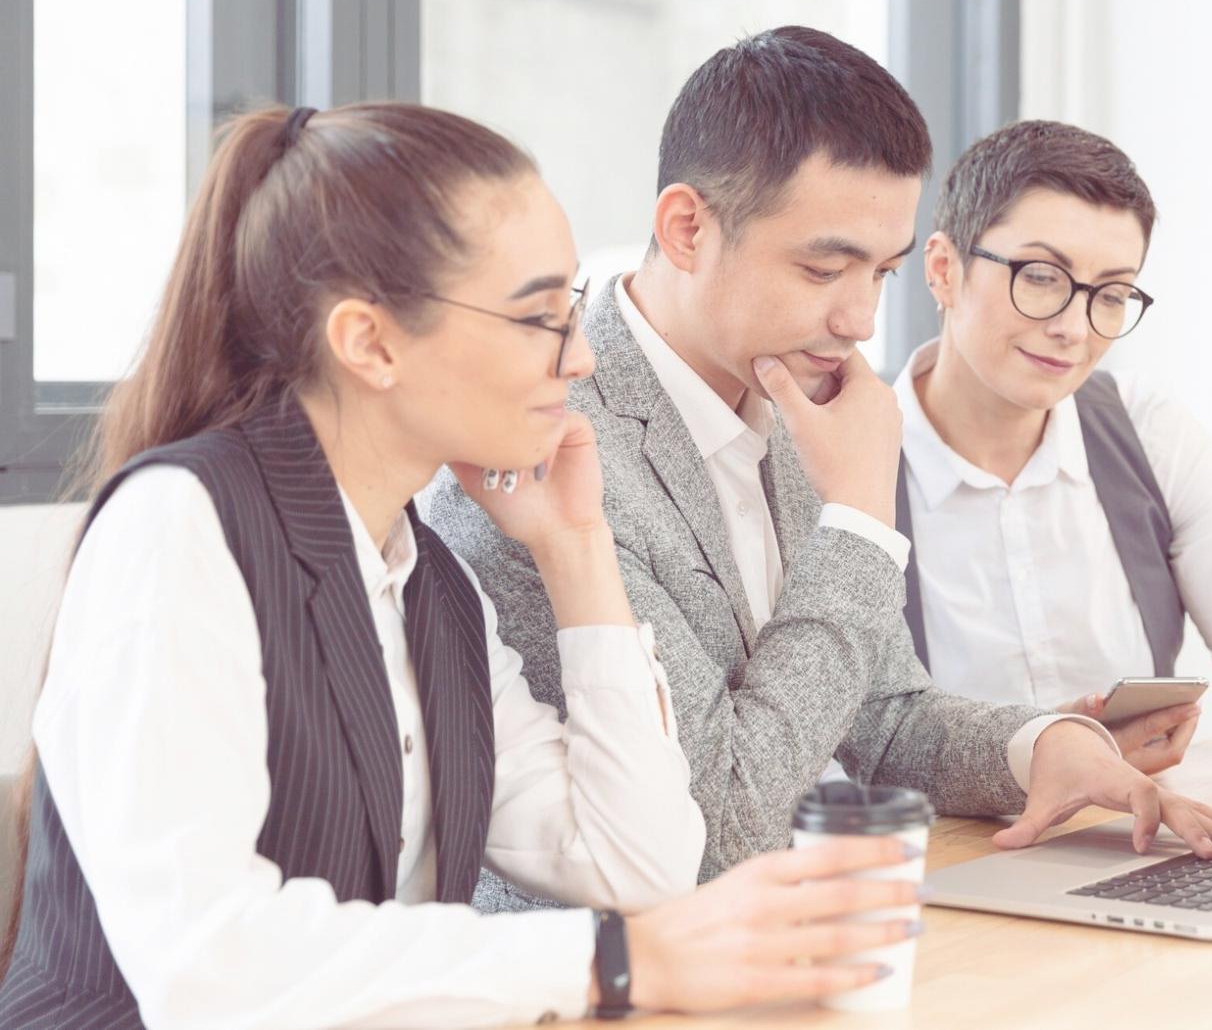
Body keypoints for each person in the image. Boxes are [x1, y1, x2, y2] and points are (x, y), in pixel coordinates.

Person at [0, 102, 929, 1029]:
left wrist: (577, 552)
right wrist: (616, 961)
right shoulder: (181, 529)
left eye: (571, 306)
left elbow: (636, 865)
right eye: (537, 316)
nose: (583, 354)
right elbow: (206, 966)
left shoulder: (427, 579)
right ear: (370, 342)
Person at [426, 27, 1212, 898]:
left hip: (798, 933)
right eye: (824, 269)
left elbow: (880, 713)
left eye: (884, 273)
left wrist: (1041, 748)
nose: (860, 319)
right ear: (687, 227)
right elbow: (716, 826)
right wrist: (858, 522)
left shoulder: (789, 388)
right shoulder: (547, 455)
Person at [896, 118, 1212, 791]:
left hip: (1129, 837)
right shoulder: (841, 464)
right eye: (1042, 277)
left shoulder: (1148, 436)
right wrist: (1034, 762)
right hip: (936, 864)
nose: (1073, 328)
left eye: (1110, 295)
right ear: (943, 270)